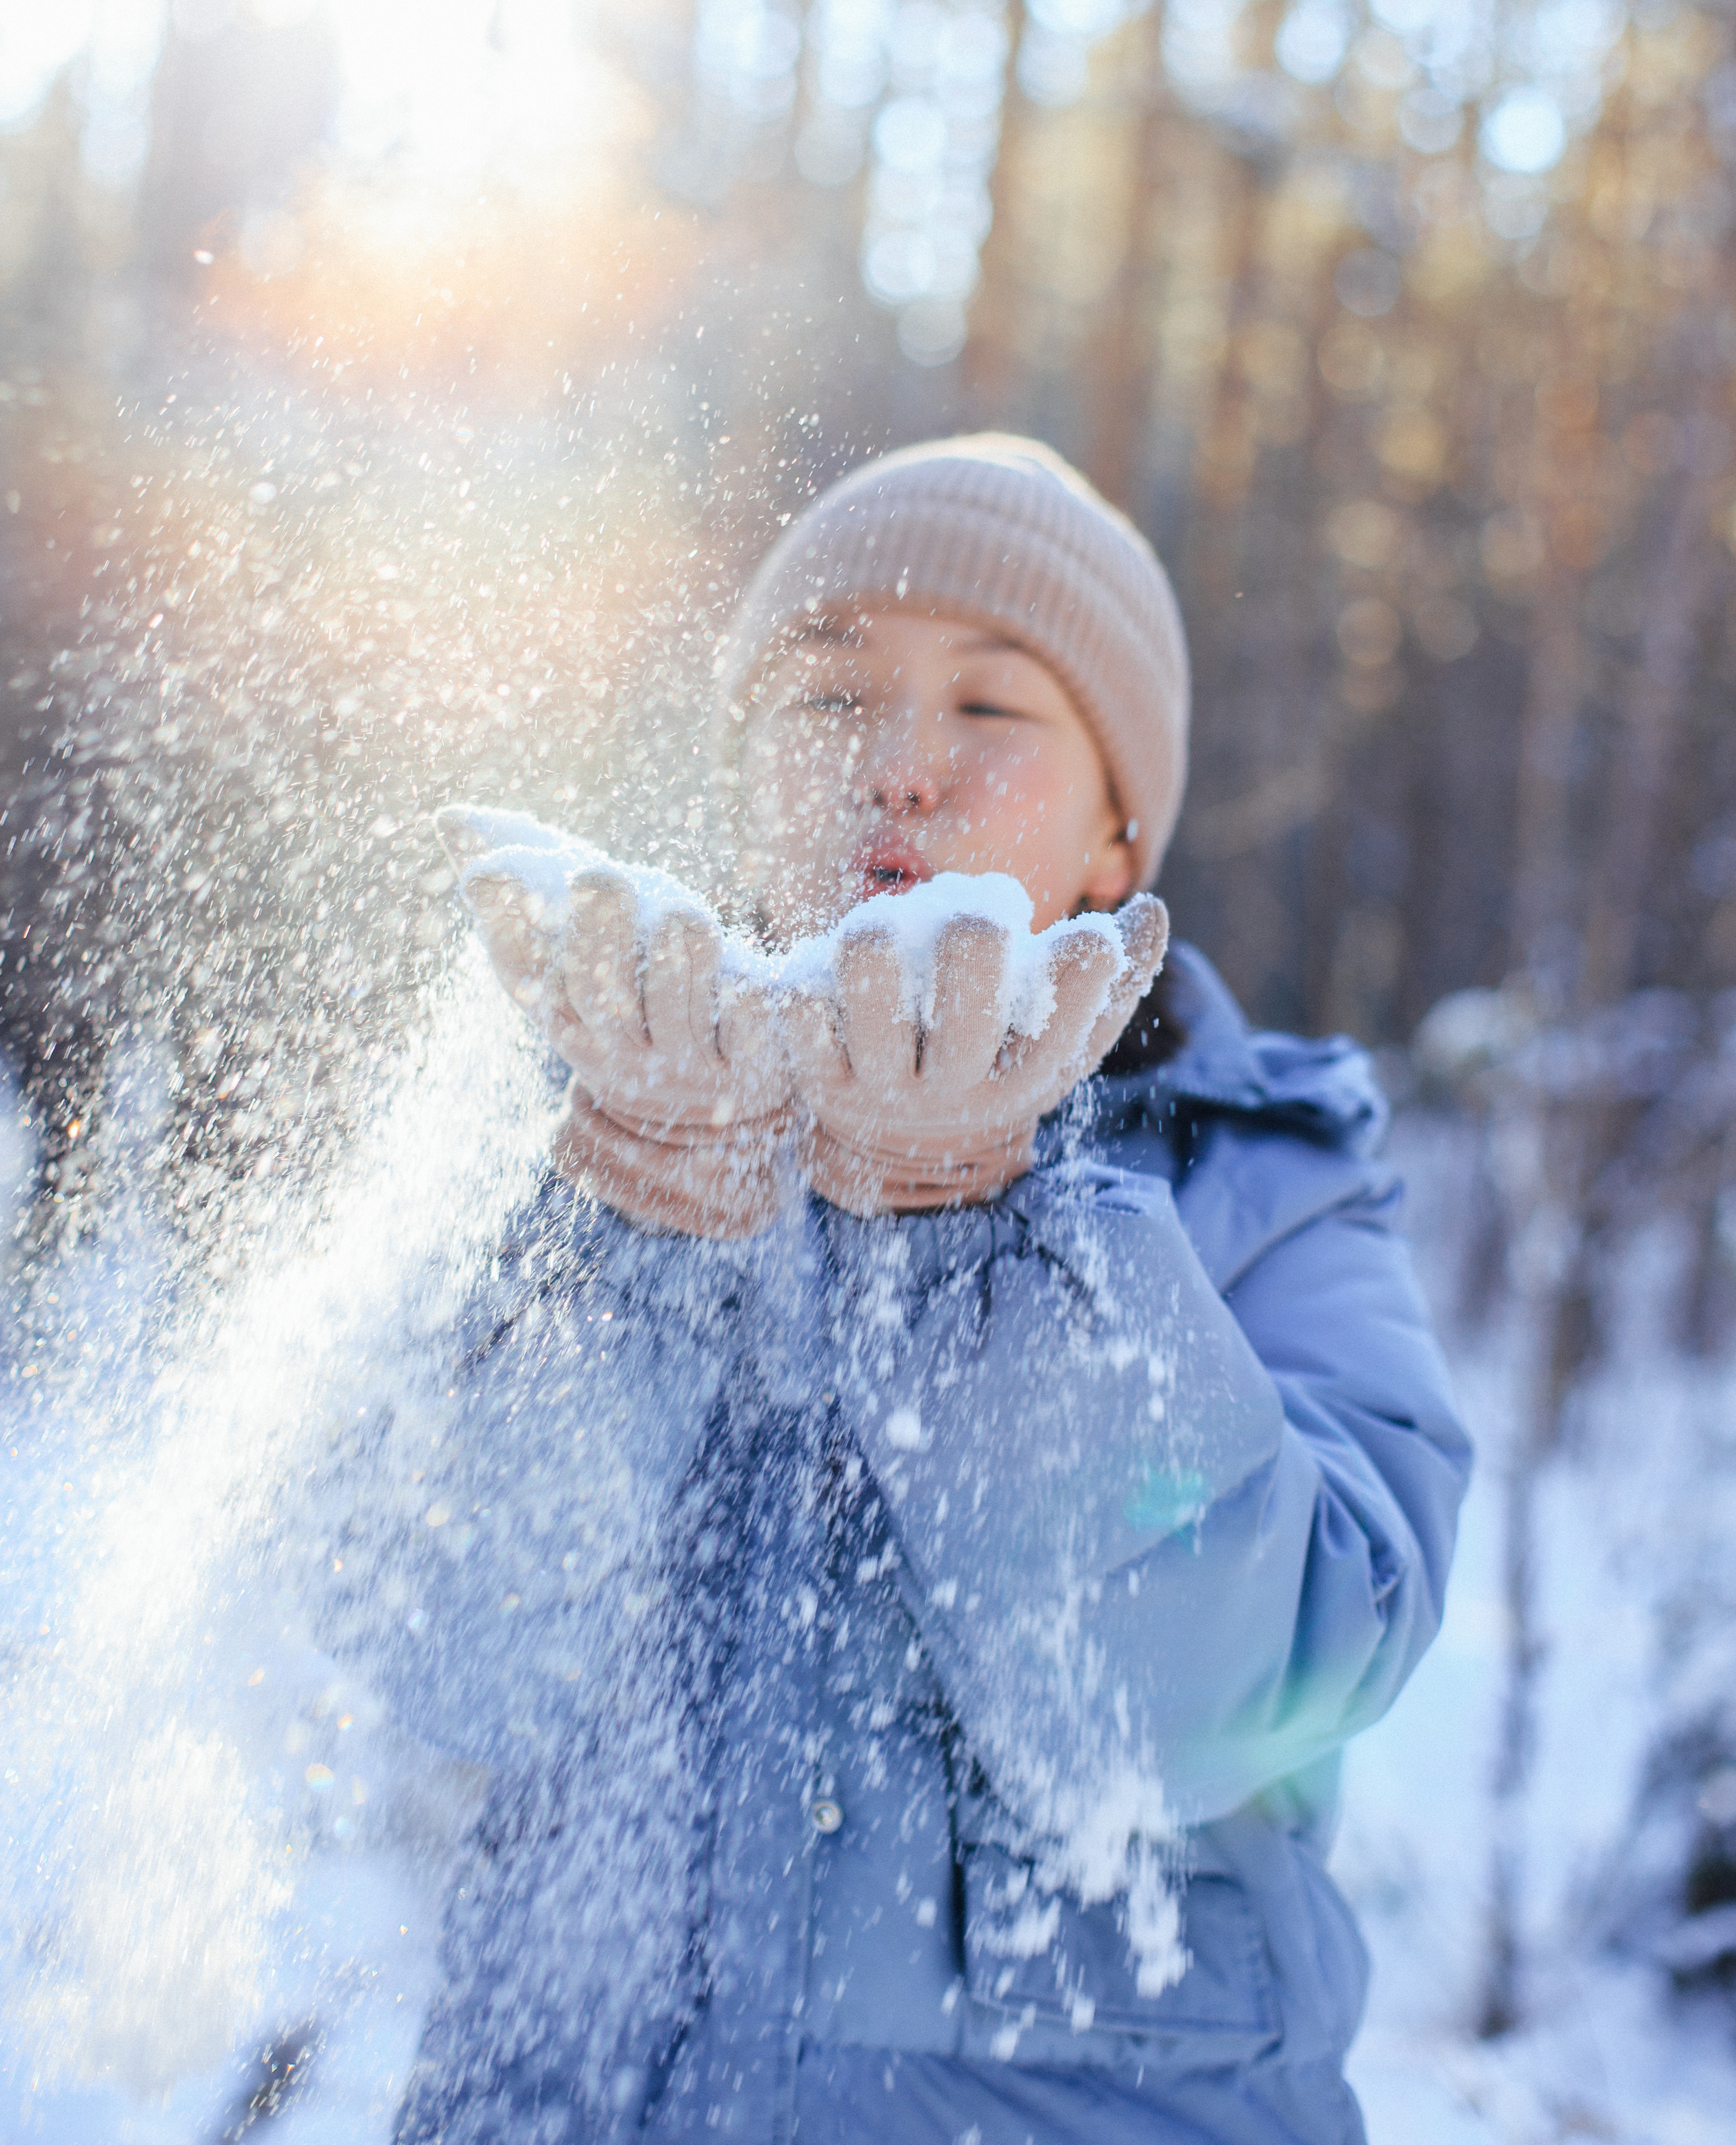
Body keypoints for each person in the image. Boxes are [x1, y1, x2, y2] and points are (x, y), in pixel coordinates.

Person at [327, 434, 1471, 2145]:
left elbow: (1249, 1687)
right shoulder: (598, 1114)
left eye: (990, 709)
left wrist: (977, 1239)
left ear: (1112, 838)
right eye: (825, 699)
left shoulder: (1265, 1177)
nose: (897, 768)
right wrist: (639, 1221)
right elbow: (443, 1652)